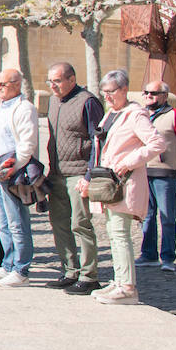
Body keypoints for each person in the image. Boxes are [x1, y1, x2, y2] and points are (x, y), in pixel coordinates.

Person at [78, 69, 166, 305]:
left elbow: (157, 143)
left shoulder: (135, 115)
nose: (107, 96)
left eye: (111, 92)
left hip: (124, 183)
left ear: (124, 89)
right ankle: (119, 281)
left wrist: (129, 162)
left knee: (120, 233)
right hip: (108, 183)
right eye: (104, 92)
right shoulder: (110, 114)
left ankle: (127, 287)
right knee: (113, 233)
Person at [45, 62, 104, 294]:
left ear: (72, 79)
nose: (53, 86)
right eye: (50, 81)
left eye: (58, 81)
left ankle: (89, 276)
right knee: (59, 223)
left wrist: (90, 175)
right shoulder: (52, 101)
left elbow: (98, 140)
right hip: (57, 172)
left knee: (80, 224)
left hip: (78, 172)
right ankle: (70, 270)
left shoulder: (87, 102)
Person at [0, 69, 39, 287]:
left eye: (2, 85)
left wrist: (14, 167)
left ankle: (21, 268)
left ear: (16, 84)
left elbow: (27, 143)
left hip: (13, 171)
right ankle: (7, 264)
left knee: (17, 221)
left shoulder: (23, 108)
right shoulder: (2, 108)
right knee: (2, 221)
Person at [138, 81, 176, 272]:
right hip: (144, 171)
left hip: (166, 173)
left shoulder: (175, 115)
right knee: (147, 215)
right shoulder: (141, 115)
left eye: (153, 93)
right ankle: (148, 255)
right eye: (146, 92)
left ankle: (168, 257)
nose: (148, 96)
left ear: (164, 95)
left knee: (167, 216)